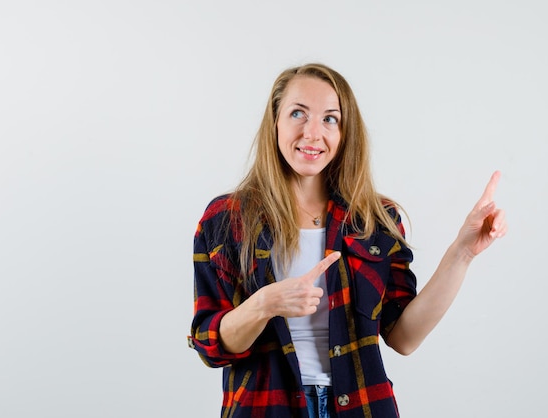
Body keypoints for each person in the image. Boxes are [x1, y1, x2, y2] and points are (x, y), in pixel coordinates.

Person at [187, 63, 507, 418]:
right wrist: (264, 304)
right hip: (265, 408)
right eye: (298, 114)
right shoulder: (226, 218)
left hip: (362, 407)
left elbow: (404, 338)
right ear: (275, 121)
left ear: (344, 132)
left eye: (330, 119)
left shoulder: (375, 220)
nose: (312, 133)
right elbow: (210, 346)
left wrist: (462, 253)